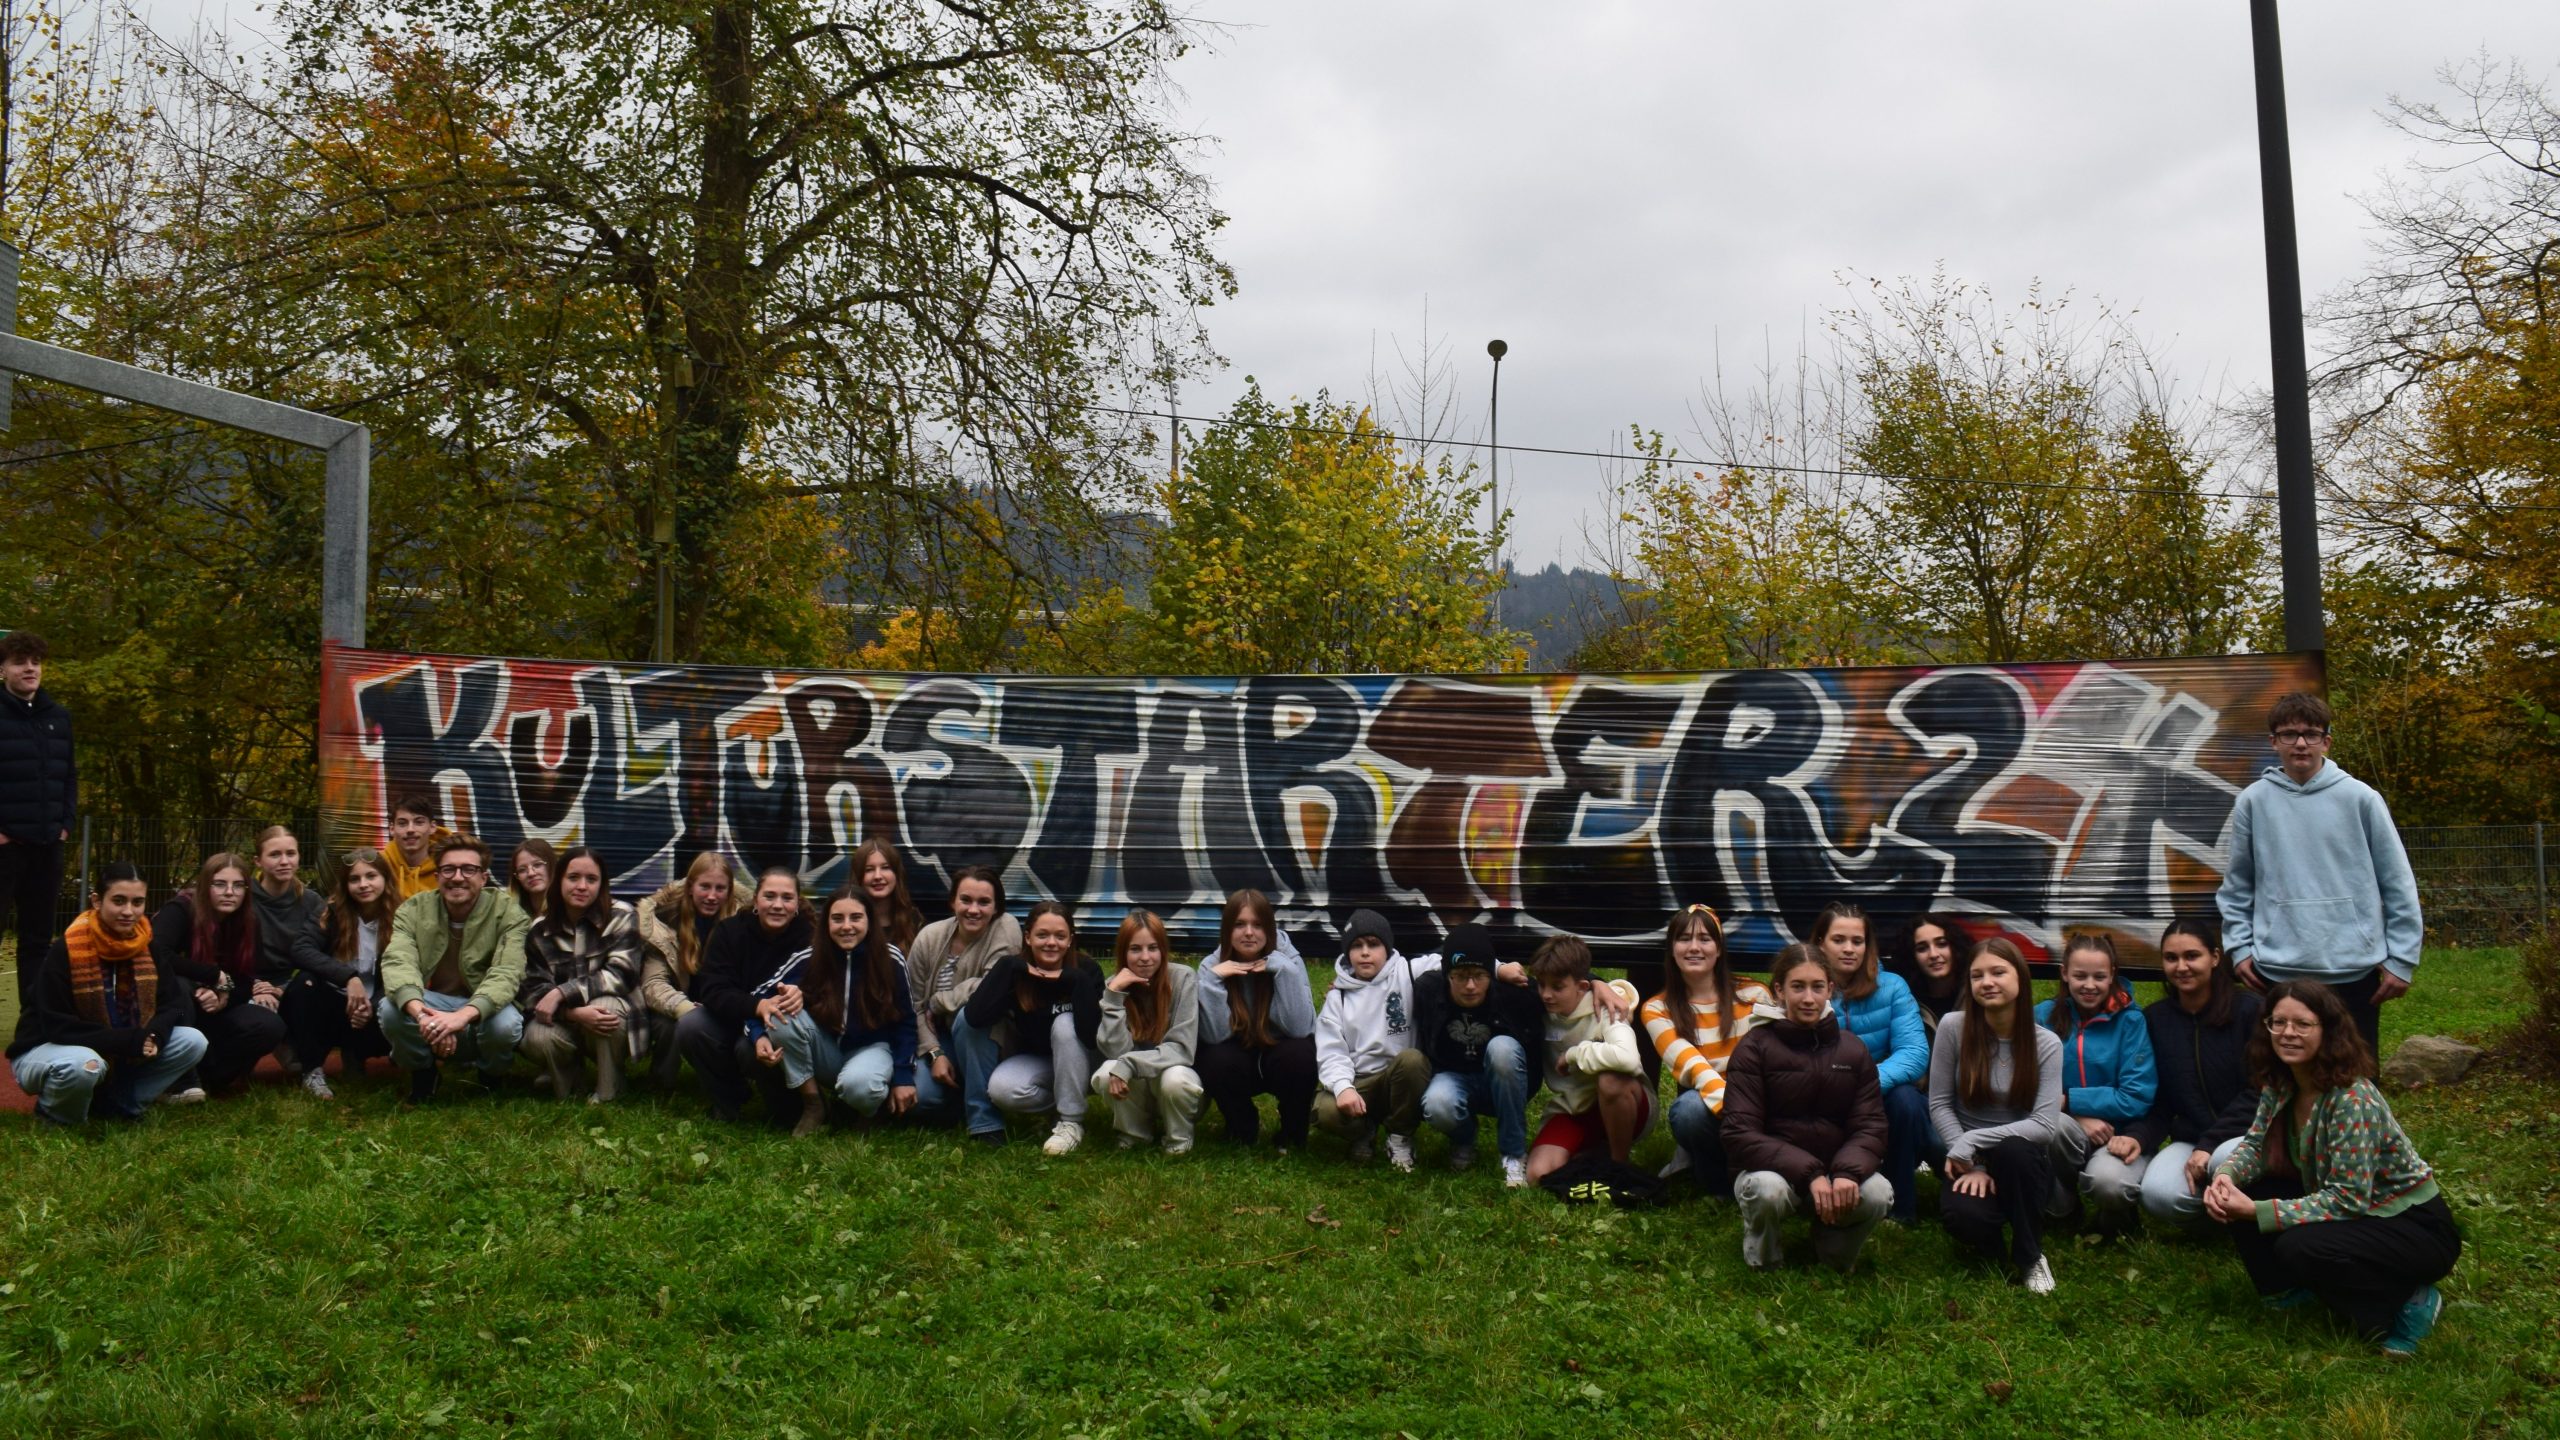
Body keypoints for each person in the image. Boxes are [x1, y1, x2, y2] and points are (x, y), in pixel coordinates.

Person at [2203, 981, 2460, 1358]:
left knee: (2299, 1244)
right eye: (2278, 1022)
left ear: (2328, 1030)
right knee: (2245, 1194)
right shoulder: (2281, 1081)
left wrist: (2258, 1212)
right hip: (2360, 1213)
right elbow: (2257, 1146)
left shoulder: (2351, 1097)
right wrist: (2225, 1177)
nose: (2288, 1033)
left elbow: (2349, 1198)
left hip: (2413, 1226)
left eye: (2302, 1024)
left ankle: (2411, 1301)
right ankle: (2294, 1290)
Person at [2217, 691, 2424, 1059]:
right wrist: (2240, 948)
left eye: (2311, 733)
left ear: (2326, 741)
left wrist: (2402, 958)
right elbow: (2237, 885)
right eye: (2289, 734)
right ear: (2273, 742)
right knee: (2286, 1080)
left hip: (2354, 969)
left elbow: (2396, 881)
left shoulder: (2361, 798)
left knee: (2354, 1080)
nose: (2300, 743)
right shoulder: (2253, 801)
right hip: (2278, 969)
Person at [1722, 943, 1892, 1272]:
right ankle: (1764, 1261)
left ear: (1830, 988)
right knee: (1766, 1191)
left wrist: (1846, 1173)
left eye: (1817, 987)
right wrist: (1811, 1174)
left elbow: (1870, 1126)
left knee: (1878, 1193)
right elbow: (1739, 1132)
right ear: (1779, 990)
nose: (1808, 999)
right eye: (1797, 987)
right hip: (1773, 1173)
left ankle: (1833, 1251)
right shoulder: (1754, 1048)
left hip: (1835, 1170)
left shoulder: (1853, 1050)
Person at [1929, 938, 2085, 1293]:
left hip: (2023, 1158)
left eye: (1998, 972)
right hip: (1968, 1159)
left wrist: (1973, 1141)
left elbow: (2044, 1126)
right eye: (1977, 975)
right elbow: (1939, 1102)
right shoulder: (1953, 1028)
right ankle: (1994, 1235)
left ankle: (2030, 1255)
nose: (1987, 982)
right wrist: (1973, 1161)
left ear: (2021, 979)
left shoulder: (2045, 1043)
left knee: (2016, 1150)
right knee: (1964, 1218)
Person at [8, 861, 207, 1125]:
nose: (129, 911)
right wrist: (127, 1040)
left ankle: (121, 1105)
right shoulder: (66, 949)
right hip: (47, 1048)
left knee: (194, 1040)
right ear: (97, 901)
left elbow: (175, 1006)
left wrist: (156, 1033)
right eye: (119, 901)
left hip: (122, 1046)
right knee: (85, 1064)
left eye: (137, 902)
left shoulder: (149, 947)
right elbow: (56, 1025)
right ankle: (58, 1117)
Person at [378, 834, 532, 1102]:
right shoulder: (413, 910)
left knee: (505, 1025)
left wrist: (460, 1018)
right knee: (390, 1009)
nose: (457, 877)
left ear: (483, 877)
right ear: (438, 875)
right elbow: (398, 962)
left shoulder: (508, 912)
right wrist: (424, 1017)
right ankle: (424, 1073)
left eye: (468, 869)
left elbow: (507, 972)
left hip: (483, 1004)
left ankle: (490, 1076)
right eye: (449, 869)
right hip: (433, 1003)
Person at [2133, 917, 2263, 1227]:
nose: (2181, 966)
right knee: (2157, 1194)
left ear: (2215, 958)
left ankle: (2251, 1209)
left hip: (2251, 1136)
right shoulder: (2155, 1020)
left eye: (2192, 956)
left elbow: (2262, 1091)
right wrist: (2140, 1136)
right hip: (2192, 1139)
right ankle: (2218, 1215)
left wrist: (2210, 1145)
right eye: (2171, 958)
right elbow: (2159, 1097)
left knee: (2222, 1160)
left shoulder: (2250, 1010)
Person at [756, 887, 917, 1136]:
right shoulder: (809, 958)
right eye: (837, 918)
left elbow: (907, 1021)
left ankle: (867, 1110)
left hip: (872, 1049)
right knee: (782, 1009)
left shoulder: (891, 958)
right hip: (826, 1047)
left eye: (856, 918)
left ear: (869, 921)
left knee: (860, 1087)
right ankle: (813, 1103)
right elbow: (759, 998)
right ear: (826, 923)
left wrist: (904, 1075)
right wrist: (759, 1035)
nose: (846, 926)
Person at [1639, 903, 1772, 1196]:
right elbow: (1694, 1068)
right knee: (1688, 1111)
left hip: (1760, 1104)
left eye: (1705, 939)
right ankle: (1719, 1184)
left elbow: (1773, 1060)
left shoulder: (1755, 995)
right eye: (1684, 939)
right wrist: (1739, 1115)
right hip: (1714, 1105)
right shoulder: (1656, 1009)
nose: (1694, 947)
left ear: (1719, 948)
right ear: (1672, 949)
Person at [1815, 901, 1936, 1222]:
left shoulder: (1892, 987)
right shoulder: (1806, 990)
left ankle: (1900, 1208)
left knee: (1908, 1101)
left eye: (1858, 941)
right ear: (1820, 943)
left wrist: (1865, 1084)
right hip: (1823, 1093)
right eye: (1838, 940)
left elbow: (1914, 1053)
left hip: (1880, 1091)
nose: (1849, 949)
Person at [2034, 932, 2158, 1227]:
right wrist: (2074, 1112)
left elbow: (2136, 1096)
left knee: (2109, 1183)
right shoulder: (2042, 1016)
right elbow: (2027, 1083)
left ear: (2112, 974)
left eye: (2099, 976)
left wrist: (2070, 1099)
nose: (2089, 985)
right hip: (2066, 1123)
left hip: (2119, 1133)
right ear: (2064, 974)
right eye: (2080, 976)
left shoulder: (2131, 1021)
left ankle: (2115, 1215)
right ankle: (2063, 1205)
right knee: (2054, 1127)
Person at [959, 900, 1103, 1153]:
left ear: (1071, 939)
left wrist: (1074, 979)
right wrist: (1007, 967)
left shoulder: (1087, 970)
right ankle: (1058, 1109)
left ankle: (1071, 1121)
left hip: (1087, 1062)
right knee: (1003, 1090)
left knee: (1064, 1023)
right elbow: (974, 1017)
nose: (1051, 942)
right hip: (1042, 1061)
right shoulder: (1016, 971)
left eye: (1060, 936)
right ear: (1028, 937)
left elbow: (1092, 1037)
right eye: (1042, 935)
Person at [1414, 920, 1543, 1187]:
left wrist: (1596, 982)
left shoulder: (1514, 993)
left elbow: (1558, 985)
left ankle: (1513, 1152)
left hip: (1502, 1077)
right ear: (1447, 974)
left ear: (1491, 975)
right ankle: (1464, 1140)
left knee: (1502, 1048)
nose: (1470, 985)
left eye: (1479, 975)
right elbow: (1388, 974)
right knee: (1437, 1104)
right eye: (1460, 976)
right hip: (1452, 1075)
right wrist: (1348, 982)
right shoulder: (1427, 988)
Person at [683, 865, 814, 1126]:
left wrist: (803, 995)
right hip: (733, 1017)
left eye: (787, 898)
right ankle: (728, 1100)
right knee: (691, 1026)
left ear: (798, 903)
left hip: (781, 1025)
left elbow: (824, 985)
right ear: (756, 900)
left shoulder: (811, 936)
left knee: (749, 1051)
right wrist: (757, 1006)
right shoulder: (729, 931)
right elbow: (713, 989)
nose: (778, 905)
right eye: (769, 896)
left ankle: (786, 1106)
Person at [1192, 888, 1319, 1152]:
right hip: (1238, 1056)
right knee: (1213, 1058)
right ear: (1227, 929)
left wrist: (1283, 970)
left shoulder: (1290, 960)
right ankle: (1242, 1129)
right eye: (1239, 924)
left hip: (1280, 1053)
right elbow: (1213, 1036)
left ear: (1269, 930)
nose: (1249, 932)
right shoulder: (1210, 966)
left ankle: (1292, 1134)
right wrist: (1215, 980)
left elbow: (1300, 1027)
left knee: (1302, 1053)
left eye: (1257, 925)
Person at [1311, 908, 1437, 1172]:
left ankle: (1400, 1135)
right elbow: (1332, 1050)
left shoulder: (1408, 973)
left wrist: (1501, 969)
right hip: (1361, 1082)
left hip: (1398, 1079)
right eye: (1356, 946)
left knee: (1412, 1061)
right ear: (1348, 953)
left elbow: (1454, 960)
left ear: (1388, 949)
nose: (1365, 952)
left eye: (1373, 944)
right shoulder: (1338, 997)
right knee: (1325, 1110)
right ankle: (1363, 1132)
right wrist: (1344, 1087)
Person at [151, 852, 289, 1094]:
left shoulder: (249, 922)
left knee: (269, 1025)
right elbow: (157, 954)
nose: (229, 892)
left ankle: (213, 1078)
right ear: (206, 885)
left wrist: (223, 994)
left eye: (238, 885)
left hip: (218, 1006)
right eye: (220, 884)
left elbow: (247, 979)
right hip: (176, 1007)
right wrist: (212, 976)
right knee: (180, 985)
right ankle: (181, 1079)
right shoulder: (181, 909)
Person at [518, 846, 643, 1104]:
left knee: (604, 1007)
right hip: (566, 1018)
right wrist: (573, 1013)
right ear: (558, 880)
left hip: (613, 1011)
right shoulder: (540, 931)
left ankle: (610, 1089)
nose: (582, 886)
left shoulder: (621, 915)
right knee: (538, 1036)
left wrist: (563, 991)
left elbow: (622, 974)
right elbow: (533, 990)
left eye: (591, 879)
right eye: (573, 877)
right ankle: (569, 1086)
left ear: (601, 884)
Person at [904, 865, 1024, 1128]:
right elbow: (913, 1004)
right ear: (952, 902)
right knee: (922, 1097)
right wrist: (935, 1053)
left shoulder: (1006, 928)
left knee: (969, 1013)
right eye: (966, 900)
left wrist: (939, 1001)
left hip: (990, 1035)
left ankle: (984, 1122)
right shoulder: (929, 937)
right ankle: (959, 1097)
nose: (973, 910)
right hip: (940, 1036)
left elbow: (991, 988)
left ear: (996, 907)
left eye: (984, 902)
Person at [1523, 936, 1649, 1183]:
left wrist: (1574, 1054)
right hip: (1573, 1110)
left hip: (1625, 1104)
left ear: (1582, 987)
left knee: (1611, 1080)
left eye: (1557, 987)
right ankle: (1592, 1153)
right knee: (1539, 1175)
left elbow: (1629, 1059)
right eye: (1541, 985)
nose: (1546, 994)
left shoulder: (1606, 1006)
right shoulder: (1538, 1006)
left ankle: (1619, 1166)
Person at [1090, 908, 1206, 1155]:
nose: (1145, 957)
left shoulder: (1183, 978)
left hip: (1176, 1085)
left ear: (1163, 950)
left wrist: (1129, 1064)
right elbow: (1114, 1051)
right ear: (1123, 952)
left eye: (1153, 948)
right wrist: (1114, 997)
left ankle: (1179, 1138)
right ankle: (1135, 1133)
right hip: (1140, 1088)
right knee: (1105, 1072)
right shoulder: (1115, 985)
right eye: (1135, 949)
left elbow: (1182, 1049)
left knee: (1175, 1077)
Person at [0, 631, 77, 999]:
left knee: (37, 942)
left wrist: (65, 825)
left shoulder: (58, 718)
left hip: (48, 847)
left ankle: (33, 1028)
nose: (30, 668)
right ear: (3, 669)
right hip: (5, 848)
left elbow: (69, 777)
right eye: (20, 661)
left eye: (35, 662)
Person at [287, 847, 396, 1097]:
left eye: (371, 876)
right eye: (354, 879)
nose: (363, 884)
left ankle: (358, 1055)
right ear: (345, 885)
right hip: (334, 1003)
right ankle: (311, 1069)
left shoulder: (400, 916)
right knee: (304, 983)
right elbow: (301, 948)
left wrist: (373, 1003)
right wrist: (348, 977)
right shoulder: (331, 911)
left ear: (385, 879)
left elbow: (407, 969)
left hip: (376, 1005)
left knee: (397, 1002)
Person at [637, 851, 743, 1082]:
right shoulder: (663, 924)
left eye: (720, 889)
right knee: (668, 1024)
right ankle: (663, 1084)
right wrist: (685, 1008)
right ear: (690, 887)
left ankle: (729, 1079)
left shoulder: (742, 924)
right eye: (705, 887)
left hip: (724, 1002)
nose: (712, 896)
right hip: (680, 1002)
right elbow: (654, 984)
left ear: (730, 891)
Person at [246, 825, 338, 1083]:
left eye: (291, 853)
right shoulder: (242, 899)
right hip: (249, 982)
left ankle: (311, 1063)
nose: (285, 861)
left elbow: (322, 954)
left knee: (313, 986)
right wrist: (256, 986)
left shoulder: (311, 901)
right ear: (258, 861)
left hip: (293, 983)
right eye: (275, 854)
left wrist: (285, 988)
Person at [1894, 912, 1968, 1030]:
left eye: (1941, 944)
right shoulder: (1905, 1002)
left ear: (1955, 947)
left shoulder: (1975, 996)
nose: (1933, 954)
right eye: (1922, 948)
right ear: (1912, 956)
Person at [852, 838, 925, 957]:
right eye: (869, 869)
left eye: (885, 867)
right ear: (859, 877)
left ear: (896, 874)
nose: (877, 876)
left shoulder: (914, 921)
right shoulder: (848, 922)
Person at [381, 792, 453, 902]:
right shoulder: (380, 865)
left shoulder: (448, 866)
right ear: (392, 829)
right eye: (402, 823)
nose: (410, 829)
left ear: (432, 827)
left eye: (419, 822)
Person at [506, 838, 557, 917]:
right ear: (516, 877)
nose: (531, 873)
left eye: (537, 865)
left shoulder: (567, 910)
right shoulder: (509, 913)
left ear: (551, 865)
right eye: (522, 870)